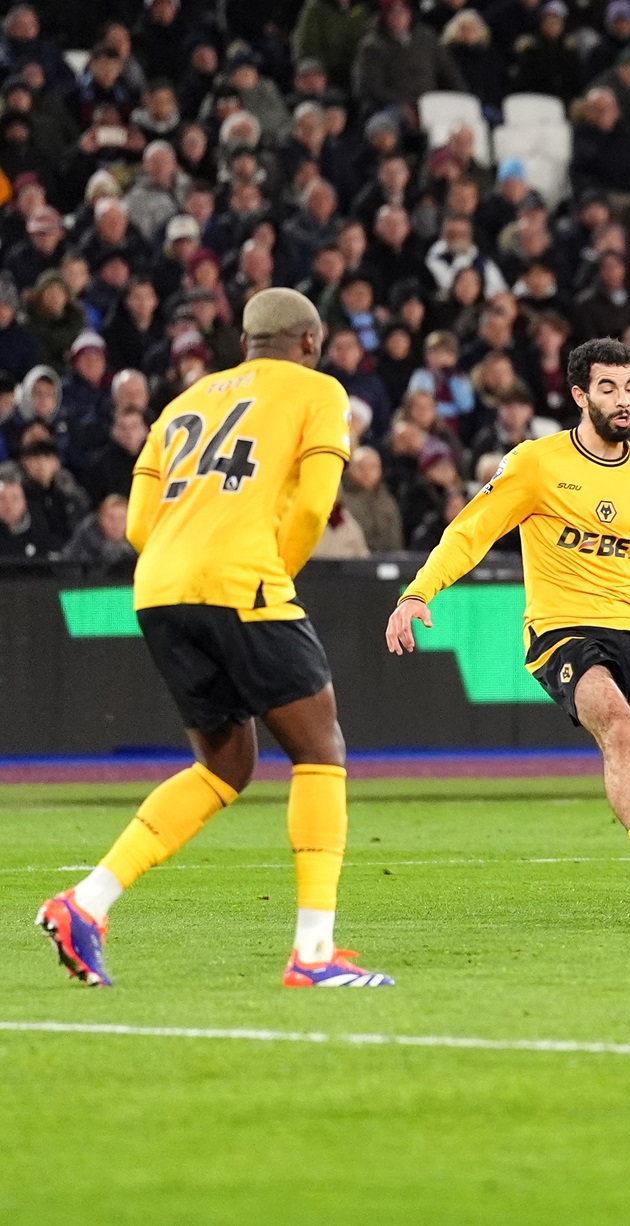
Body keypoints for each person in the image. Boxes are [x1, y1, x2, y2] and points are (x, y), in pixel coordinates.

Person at [36, 288, 392, 990]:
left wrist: (190, 560)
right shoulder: (318, 391)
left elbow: (139, 523)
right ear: (310, 342)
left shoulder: (182, 403)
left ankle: (86, 903)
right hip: (242, 579)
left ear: (246, 342)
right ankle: (313, 954)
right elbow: (316, 503)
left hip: (159, 588)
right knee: (320, 751)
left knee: (225, 765)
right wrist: (270, 572)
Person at [386, 339, 630, 923]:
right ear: (579, 395)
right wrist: (417, 592)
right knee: (619, 727)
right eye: (608, 388)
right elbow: (471, 531)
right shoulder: (535, 462)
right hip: (562, 631)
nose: (623, 400)